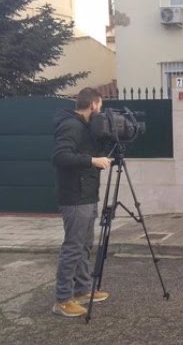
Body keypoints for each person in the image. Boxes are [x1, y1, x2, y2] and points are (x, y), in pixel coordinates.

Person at [51, 87, 112, 317]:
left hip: (87, 194)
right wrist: (92, 160)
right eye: (100, 107)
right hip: (75, 197)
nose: (100, 111)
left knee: (85, 246)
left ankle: (83, 290)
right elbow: (59, 156)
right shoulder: (71, 125)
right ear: (94, 104)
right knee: (73, 248)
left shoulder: (85, 127)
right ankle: (62, 300)